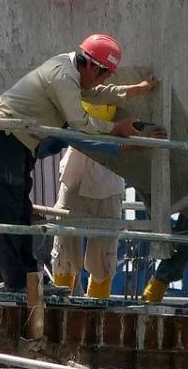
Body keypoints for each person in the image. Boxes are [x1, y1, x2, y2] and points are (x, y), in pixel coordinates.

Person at [0, 33, 155, 295]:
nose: (105, 80)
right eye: (104, 74)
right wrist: (116, 129)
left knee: (19, 212)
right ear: (92, 66)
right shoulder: (62, 76)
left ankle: (29, 281)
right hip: (6, 140)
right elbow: (80, 123)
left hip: (19, 143)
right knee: (7, 213)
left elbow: (94, 92)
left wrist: (132, 91)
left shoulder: (71, 70)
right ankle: (18, 284)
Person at [51, 92, 158, 299]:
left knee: (104, 254)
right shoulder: (81, 84)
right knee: (65, 247)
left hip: (109, 175)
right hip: (78, 170)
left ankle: (96, 309)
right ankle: (58, 304)